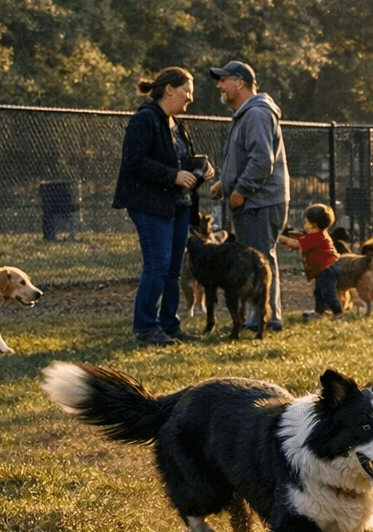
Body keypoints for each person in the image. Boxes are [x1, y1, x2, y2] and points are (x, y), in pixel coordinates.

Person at [112, 67, 212, 347]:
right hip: (150, 205)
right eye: (187, 92)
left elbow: (179, 161)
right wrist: (173, 176)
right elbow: (135, 160)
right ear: (169, 89)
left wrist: (200, 167)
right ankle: (146, 328)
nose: (190, 99)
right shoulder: (145, 120)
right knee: (157, 265)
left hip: (178, 205)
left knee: (173, 269)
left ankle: (169, 325)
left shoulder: (175, 124)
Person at [209, 60, 289, 332]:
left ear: (239, 82)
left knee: (258, 260)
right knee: (261, 257)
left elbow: (261, 160)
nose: (219, 85)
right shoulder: (248, 113)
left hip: (259, 201)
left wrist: (240, 190)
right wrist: (224, 182)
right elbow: (246, 156)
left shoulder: (256, 114)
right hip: (258, 199)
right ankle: (265, 316)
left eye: (223, 79)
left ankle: (264, 318)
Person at [278, 203, 344, 320]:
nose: (304, 225)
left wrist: (279, 239)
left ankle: (338, 312)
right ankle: (319, 313)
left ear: (313, 226)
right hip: (324, 268)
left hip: (328, 268)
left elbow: (297, 244)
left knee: (328, 293)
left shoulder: (316, 237)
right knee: (318, 292)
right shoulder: (319, 234)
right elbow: (301, 239)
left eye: (306, 223)